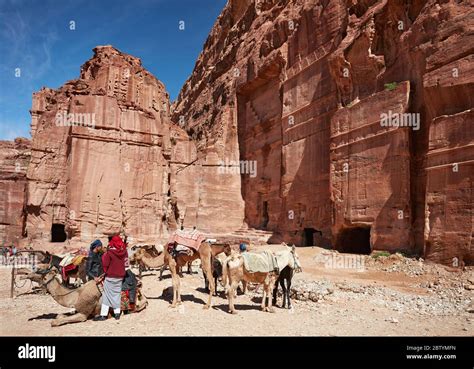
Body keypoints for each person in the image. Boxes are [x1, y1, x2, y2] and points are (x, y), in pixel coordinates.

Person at [93, 235, 127, 321]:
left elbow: (105, 264)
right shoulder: (125, 252)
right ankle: (117, 314)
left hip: (110, 277)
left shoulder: (109, 253)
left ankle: (104, 315)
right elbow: (127, 265)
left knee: (106, 295)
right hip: (120, 277)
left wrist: (107, 271)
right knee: (117, 294)